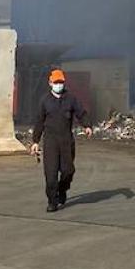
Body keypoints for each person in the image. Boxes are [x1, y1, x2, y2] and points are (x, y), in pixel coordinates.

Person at [29, 68, 91, 212]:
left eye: (61, 82)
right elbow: (39, 121)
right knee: (50, 176)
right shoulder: (45, 101)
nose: (59, 84)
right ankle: (52, 201)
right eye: (56, 82)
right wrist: (35, 141)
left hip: (66, 141)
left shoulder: (71, 99)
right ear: (50, 83)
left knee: (68, 171)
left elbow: (81, 113)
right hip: (50, 141)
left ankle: (63, 190)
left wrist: (87, 125)